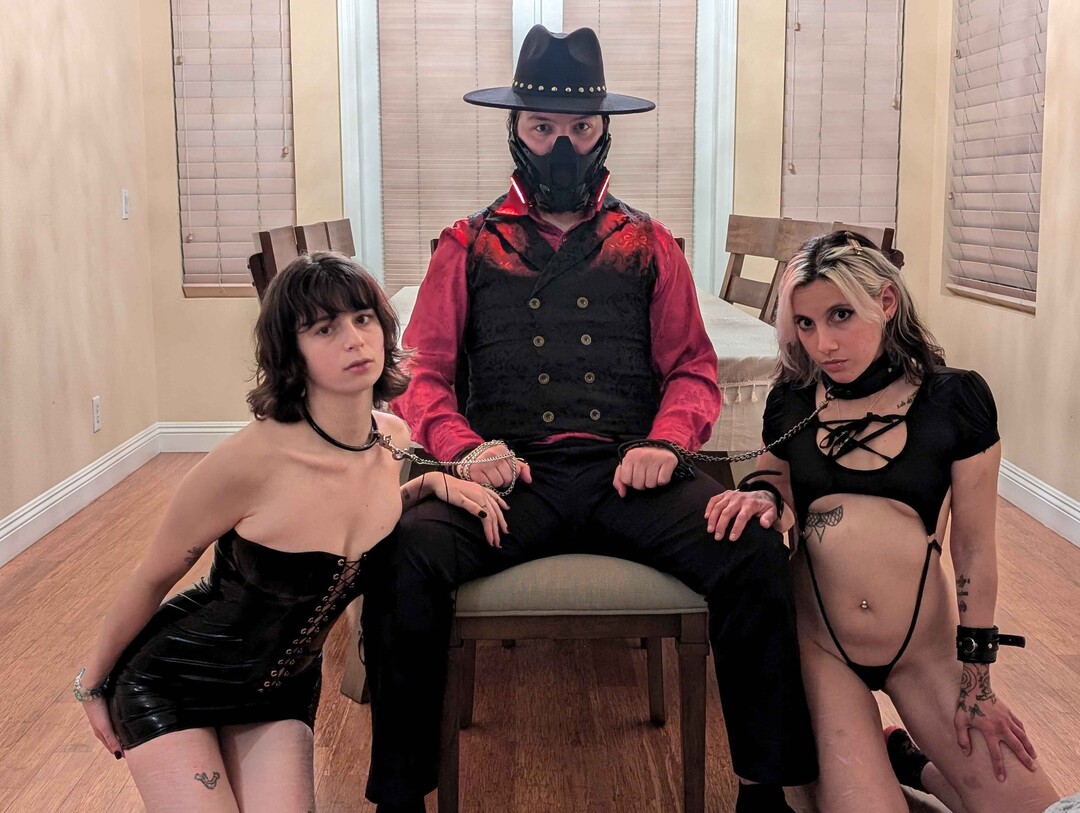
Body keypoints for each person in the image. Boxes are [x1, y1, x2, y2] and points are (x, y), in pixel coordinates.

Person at [362, 25, 817, 813]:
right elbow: (421, 374)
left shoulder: (649, 243)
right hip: (508, 478)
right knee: (402, 552)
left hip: (626, 472)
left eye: (579, 127)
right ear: (516, 130)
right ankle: (401, 797)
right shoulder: (467, 243)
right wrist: (464, 449)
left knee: (749, 547)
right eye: (544, 127)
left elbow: (692, 369)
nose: (562, 146)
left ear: (604, 131)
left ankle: (764, 792)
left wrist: (668, 442)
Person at [76, 252, 504, 812]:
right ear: (290, 352)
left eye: (363, 319)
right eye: (324, 328)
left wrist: (426, 485)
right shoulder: (246, 462)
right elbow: (151, 578)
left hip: (282, 692)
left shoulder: (392, 439)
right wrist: (92, 685)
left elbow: (350, 528)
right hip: (173, 683)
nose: (354, 340)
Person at [705, 230, 1060, 812]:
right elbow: (776, 479)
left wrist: (978, 684)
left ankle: (913, 766)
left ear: (886, 301)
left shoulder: (955, 401)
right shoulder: (794, 400)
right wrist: (762, 498)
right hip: (824, 650)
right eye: (805, 323)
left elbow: (974, 551)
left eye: (841, 315)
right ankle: (863, 759)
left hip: (924, 650)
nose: (823, 343)